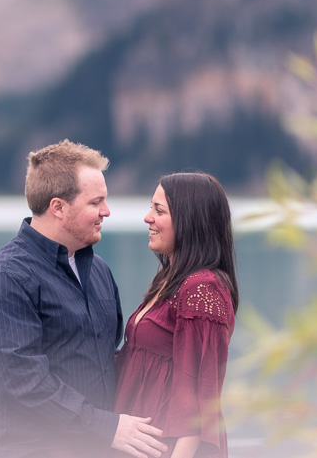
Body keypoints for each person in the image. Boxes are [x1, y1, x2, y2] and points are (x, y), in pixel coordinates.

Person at [0, 140, 168, 458]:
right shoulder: (4, 279)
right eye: (96, 202)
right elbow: (23, 382)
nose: (107, 211)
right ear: (57, 207)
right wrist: (108, 427)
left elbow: (107, 360)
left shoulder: (98, 270)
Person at [113, 172, 239, 458]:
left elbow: (199, 404)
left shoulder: (202, 290)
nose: (147, 218)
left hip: (168, 448)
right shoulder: (170, 281)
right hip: (137, 440)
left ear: (190, 221)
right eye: (151, 207)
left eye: (159, 210)